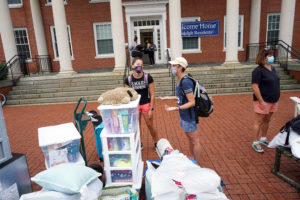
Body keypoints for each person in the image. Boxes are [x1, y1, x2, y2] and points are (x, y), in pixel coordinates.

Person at [163, 57, 201, 164]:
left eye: (174, 65)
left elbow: (192, 102)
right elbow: (181, 97)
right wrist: (168, 98)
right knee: (190, 139)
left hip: (189, 116)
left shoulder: (186, 82)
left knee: (195, 141)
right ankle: (191, 158)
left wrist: (175, 108)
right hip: (184, 115)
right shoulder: (179, 80)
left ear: (180, 67)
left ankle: (196, 163)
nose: (172, 68)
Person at [124, 57, 158, 149]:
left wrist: (151, 108)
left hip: (146, 104)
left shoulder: (148, 77)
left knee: (150, 125)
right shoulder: (128, 80)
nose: (140, 66)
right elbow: (127, 95)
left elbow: (153, 94)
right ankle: (139, 143)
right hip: (135, 105)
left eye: (141, 65)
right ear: (132, 66)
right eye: (137, 64)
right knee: (136, 126)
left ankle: (156, 143)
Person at [251, 49, 280, 153]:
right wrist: (261, 101)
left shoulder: (272, 68)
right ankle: (255, 142)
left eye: (272, 55)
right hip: (263, 101)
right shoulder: (258, 71)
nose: (272, 57)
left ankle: (263, 139)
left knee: (267, 120)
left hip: (273, 100)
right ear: (263, 58)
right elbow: (255, 86)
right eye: (269, 55)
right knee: (258, 121)